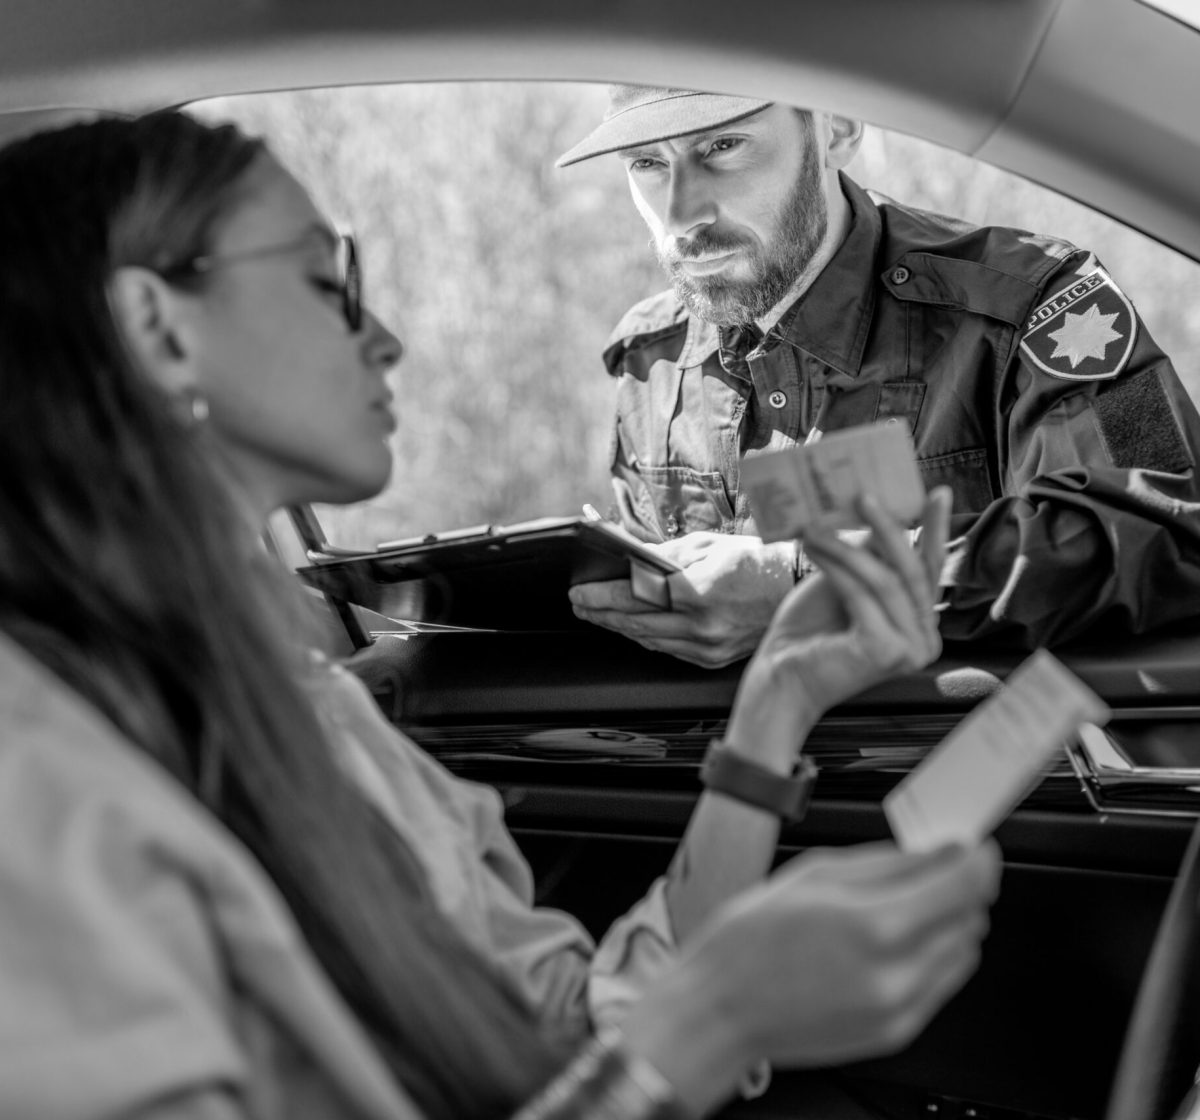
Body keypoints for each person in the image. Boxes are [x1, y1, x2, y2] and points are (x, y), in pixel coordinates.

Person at [0, 110, 999, 1120]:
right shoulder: (36, 791)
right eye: (326, 279)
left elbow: (572, 1026)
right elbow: (639, 1043)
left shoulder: (312, 716)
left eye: (721, 148)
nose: (384, 339)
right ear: (162, 329)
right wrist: (703, 1032)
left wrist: (773, 711)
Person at [560, 86, 1200, 668]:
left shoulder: (1030, 307)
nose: (680, 216)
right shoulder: (652, 359)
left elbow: (1164, 534)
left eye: (722, 146)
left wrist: (816, 581)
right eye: (647, 163)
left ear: (835, 127)